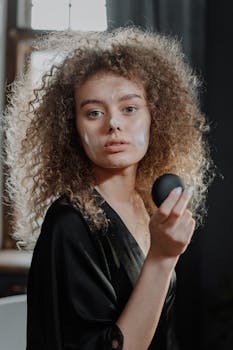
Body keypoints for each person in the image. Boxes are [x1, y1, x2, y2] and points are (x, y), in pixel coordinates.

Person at [4, 26, 215, 349]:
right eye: (94, 113)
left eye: (129, 108)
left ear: (154, 117)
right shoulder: (68, 224)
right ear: (71, 129)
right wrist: (161, 258)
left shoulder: (147, 208)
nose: (113, 123)